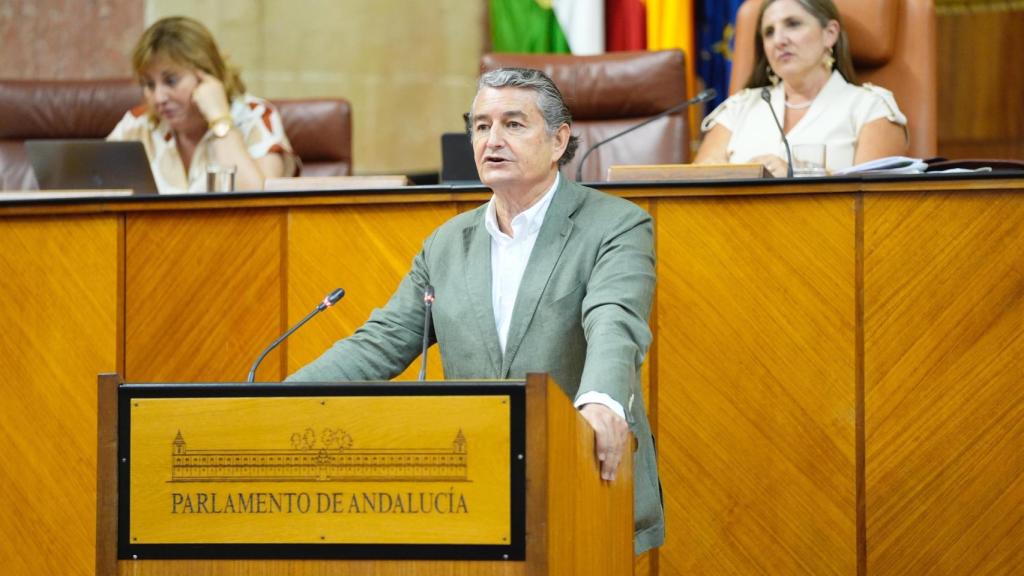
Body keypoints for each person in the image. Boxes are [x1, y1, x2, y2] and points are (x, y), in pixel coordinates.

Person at [287, 67, 665, 554]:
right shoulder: (447, 243)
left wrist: (601, 400)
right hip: (472, 491)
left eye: (513, 124)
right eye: (482, 126)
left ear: (558, 140)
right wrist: (279, 401)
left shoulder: (616, 225)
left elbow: (615, 320)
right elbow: (380, 343)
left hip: (583, 475)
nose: (493, 140)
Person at [694, 0, 908, 176]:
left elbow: (875, 207)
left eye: (793, 24)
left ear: (830, 34)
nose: (778, 40)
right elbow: (698, 185)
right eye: (769, 32)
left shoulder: (871, 107)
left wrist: (793, 175)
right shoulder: (738, 106)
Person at [108, 17, 297, 193]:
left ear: (207, 75)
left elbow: (261, 206)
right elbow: (91, 189)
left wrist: (220, 120)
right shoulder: (137, 125)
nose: (158, 98)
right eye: (149, 84)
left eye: (171, 81)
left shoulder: (255, 116)